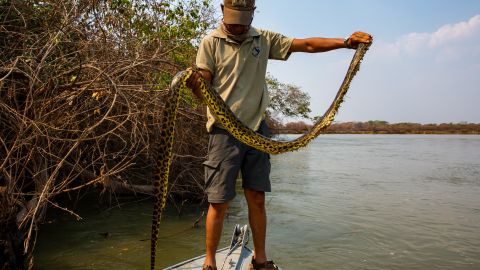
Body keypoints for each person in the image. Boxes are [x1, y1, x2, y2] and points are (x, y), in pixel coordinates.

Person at [186, 1, 373, 269]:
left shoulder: (263, 39)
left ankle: (260, 259)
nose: (238, 26)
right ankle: (209, 262)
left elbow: (306, 45)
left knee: (257, 197)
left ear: (252, 14)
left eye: (243, 20)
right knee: (219, 201)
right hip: (224, 132)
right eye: (233, 20)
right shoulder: (211, 42)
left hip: (257, 130)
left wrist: (345, 42)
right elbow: (204, 77)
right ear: (222, 12)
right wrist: (196, 83)